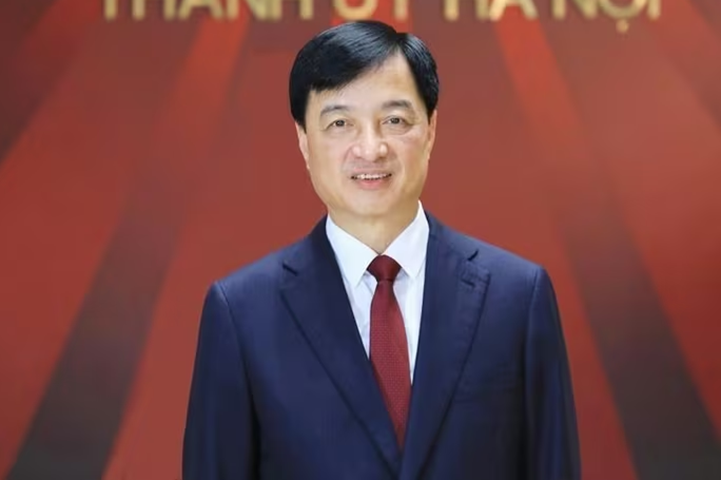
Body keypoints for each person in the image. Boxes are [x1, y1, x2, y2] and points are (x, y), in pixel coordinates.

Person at [182, 20, 580, 480]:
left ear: (430, 128)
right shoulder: (241, 314)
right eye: (340, 124)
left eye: (394, 120)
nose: (370, 149)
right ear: (303, 140)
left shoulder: (516, 298)